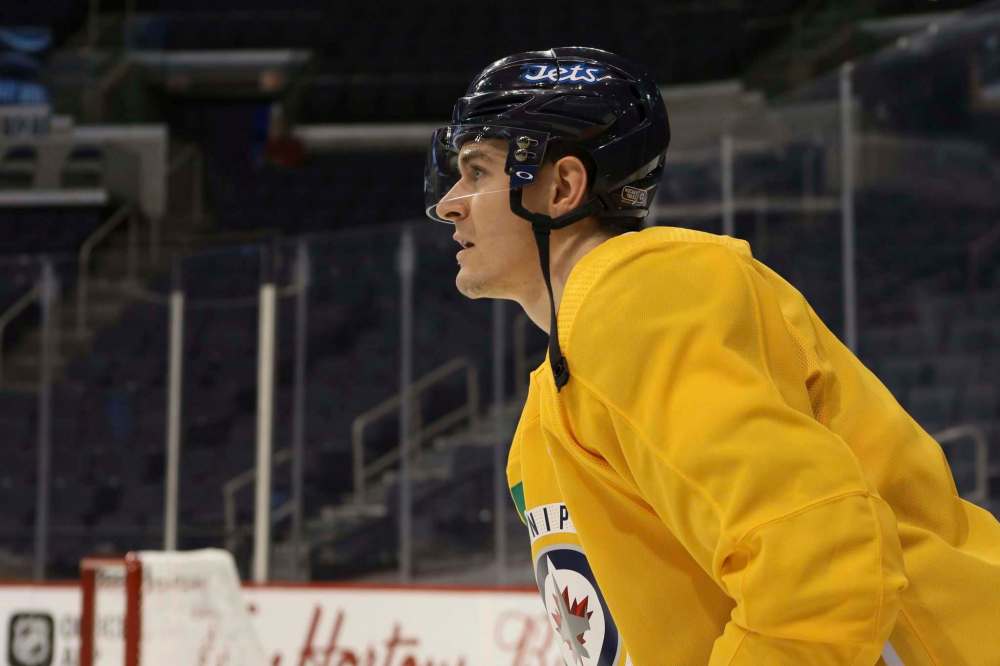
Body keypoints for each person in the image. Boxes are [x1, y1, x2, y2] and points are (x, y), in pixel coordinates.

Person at [424, 47, 1000, 665]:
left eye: (478, 172)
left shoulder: (642, 296)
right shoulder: (553, 401)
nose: (448, 203)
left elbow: (820, 564)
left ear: (562, 186)